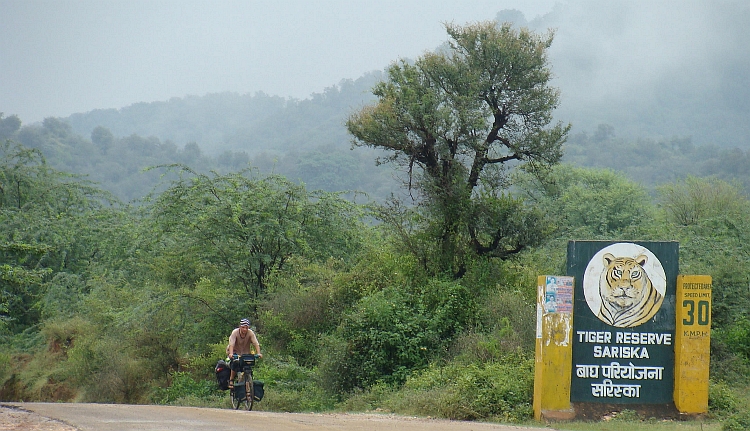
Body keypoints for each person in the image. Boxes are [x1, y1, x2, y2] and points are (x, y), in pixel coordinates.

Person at [226, 318, 263, 388]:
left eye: (246, 327)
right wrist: (231, 354)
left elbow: (255, 343)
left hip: (245, 353)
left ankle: (249, 381)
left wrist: (259, 353)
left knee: (249, 365)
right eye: (243, 327)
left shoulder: (250, 333)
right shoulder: (235, 332)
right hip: (235, 352)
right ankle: (231, 380)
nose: (245, 329)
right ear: (240, 327)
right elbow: (231, 344)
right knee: (235, 363)